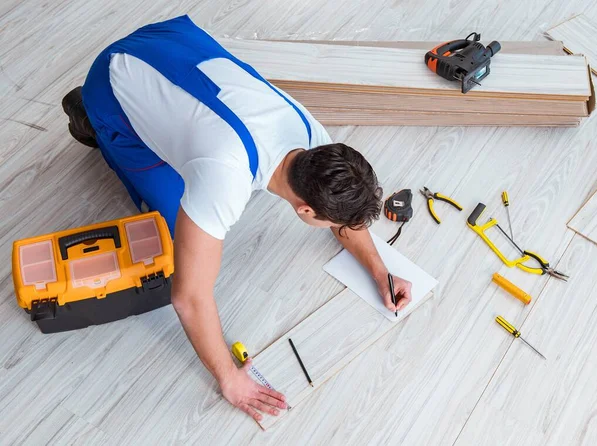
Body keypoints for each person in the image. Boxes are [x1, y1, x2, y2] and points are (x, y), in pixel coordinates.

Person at [62, 15, 413, 422]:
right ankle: (89, 112)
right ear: (305, 211)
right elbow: (189, 298)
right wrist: (230, 378)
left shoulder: (316, 141)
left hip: (175, 42)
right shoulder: (222, 177)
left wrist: (378, 269)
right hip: (116, 71)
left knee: (194, 198)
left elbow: (342, 219)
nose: (342, 228)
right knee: (171, 224)